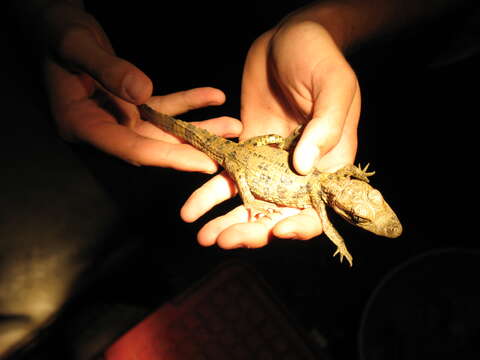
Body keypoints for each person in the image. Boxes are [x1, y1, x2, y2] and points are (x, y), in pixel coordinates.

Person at [3, 0, 476, 356]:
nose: (377, 219)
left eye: (370, 214)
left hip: (249, 134)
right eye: (369, 215)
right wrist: (325, 234)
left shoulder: (332, 183)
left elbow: (337, 201)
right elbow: (331, 222)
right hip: (233, 147)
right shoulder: (325, 198)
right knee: (168, 152)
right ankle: (144, 110)